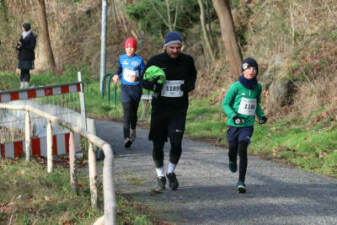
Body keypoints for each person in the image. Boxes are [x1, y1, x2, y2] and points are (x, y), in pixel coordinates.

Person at [142, 31, 197, 192]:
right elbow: (143, 81)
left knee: (176, 141)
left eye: (178, 47)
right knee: (158, 144)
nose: (175, 51)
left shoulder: (187, 61)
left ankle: (171, 172)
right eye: (172, 47)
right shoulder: (155, 61)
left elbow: (193, 76)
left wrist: (188, 86)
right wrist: (154, 86)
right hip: (160, 109)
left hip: (179, 109)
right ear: (166, 46)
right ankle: (160, 176)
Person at [222, 57, 267, 193]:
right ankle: (232, 160)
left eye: (254, 69)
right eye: (249, 69)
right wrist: (233, 116)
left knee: (243, 148)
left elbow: (256, 103)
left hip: (247, 124)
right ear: (243, 71)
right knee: (233, 149)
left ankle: (241, 181)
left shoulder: (257, 87)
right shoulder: (236, 86)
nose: (252, 71)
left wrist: (261, 115)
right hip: (234, 124)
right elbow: (225, 104)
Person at [112, 37, 145, 148]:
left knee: (133, 113)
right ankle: (126, 138)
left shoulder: (139, 60)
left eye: (131, 47)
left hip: (136, 89)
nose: (129, 49)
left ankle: (133, 129)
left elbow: (144, 74)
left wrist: (137, 77)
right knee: (126, 111)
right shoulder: (122, 58)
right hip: (125, 88)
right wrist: (116, 75)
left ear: (135, 48)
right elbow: (119, 69)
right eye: (127, 47)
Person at [16, 23, 36, 88]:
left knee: (27, 70)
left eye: (23, 27)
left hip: (28, 56)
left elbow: (32, 47)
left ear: (26, 28)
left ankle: (26, 84)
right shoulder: (22, 35)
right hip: (22, 56)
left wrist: (23, 45)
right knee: (22, 70)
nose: (22, 29)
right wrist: (18, 47)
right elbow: (19, 44)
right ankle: (21, 84)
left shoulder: (32, 36)